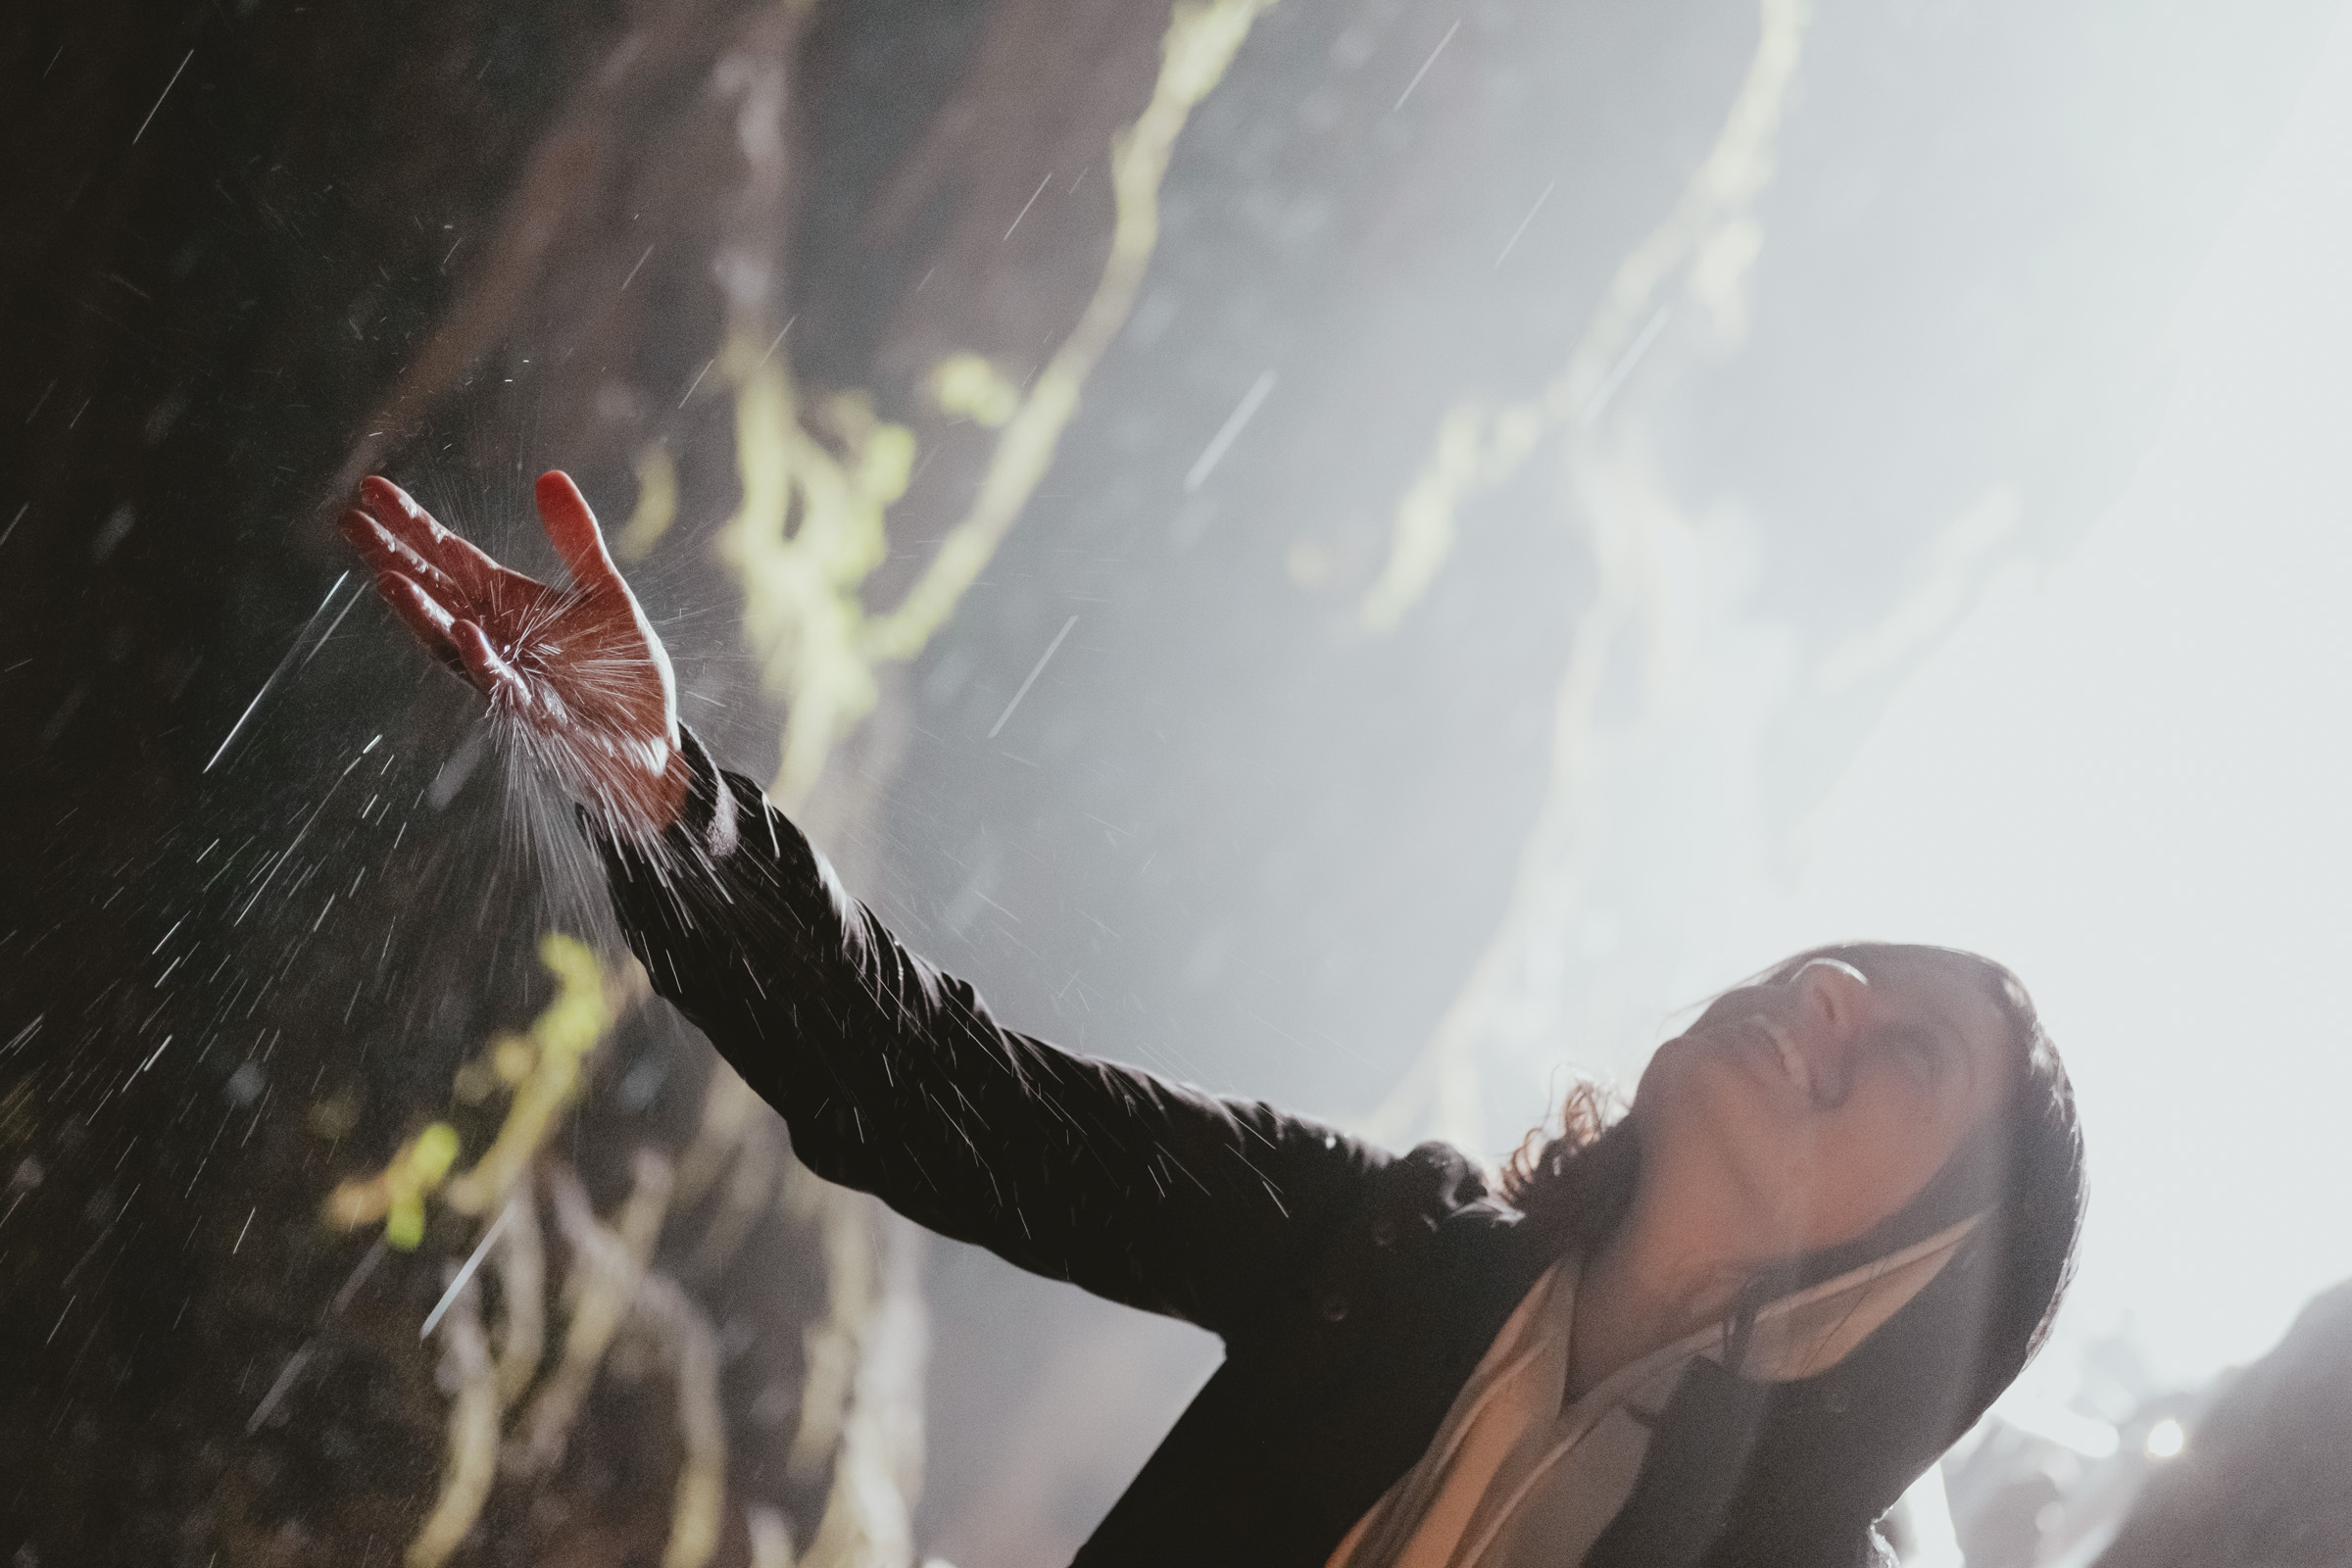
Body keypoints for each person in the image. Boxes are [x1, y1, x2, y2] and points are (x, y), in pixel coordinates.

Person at [342, 471, 2086, 1568]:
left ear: (1917, 1279)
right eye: (1845, 960)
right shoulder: (1384, 1247)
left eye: (1906, 1055)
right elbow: (921, 1084)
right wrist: (661, 790)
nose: (1831, 993)